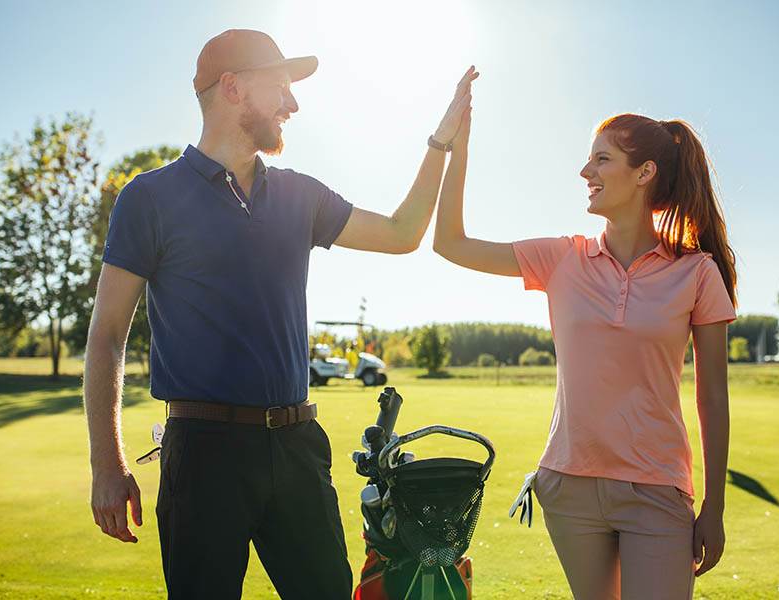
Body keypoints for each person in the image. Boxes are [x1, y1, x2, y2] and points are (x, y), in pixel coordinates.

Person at [83, 29, 476, 599]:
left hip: (298, 447)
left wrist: (439, 141)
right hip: (202, 453)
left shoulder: (301, 195)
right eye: (281, 90)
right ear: (234, 87)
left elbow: (401, 233)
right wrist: (107, 463)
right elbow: (107, 337)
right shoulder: (149, 198)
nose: (293, 105)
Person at [433, 93, 736, 599]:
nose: (584, 171)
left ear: (644, 173)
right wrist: (454, 148)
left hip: (656, 490)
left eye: (601, 159)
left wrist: (715, 508)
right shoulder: (561, 258)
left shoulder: (697, 273)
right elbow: (450, 243)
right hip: (568, 487)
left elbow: (713, 399)